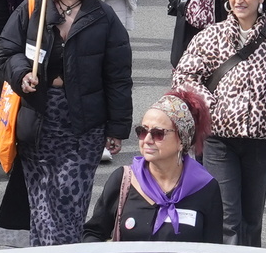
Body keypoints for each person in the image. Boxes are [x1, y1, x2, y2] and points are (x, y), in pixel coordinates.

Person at [0, 0, 130, 245]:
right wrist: (21, 74)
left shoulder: (104, 17)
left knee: (67, 207)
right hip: (37, 122)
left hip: (83, 127)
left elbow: (119, 76)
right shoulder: (33, 10)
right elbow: (6, 51)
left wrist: (117, 128)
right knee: (41, 209)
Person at [172, 0, 266, 247]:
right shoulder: (210, 36)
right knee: (227, 218)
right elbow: (183, 78)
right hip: (219, 141)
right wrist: (212, 110)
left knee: (252, 220)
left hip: (261, 143)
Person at [86, 93, 225, 243]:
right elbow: (93, 232)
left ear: (182, 141)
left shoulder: (205, 187)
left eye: (158, 134)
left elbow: (213, 250)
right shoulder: (124, 179)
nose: (147, 140)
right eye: (142, 131)